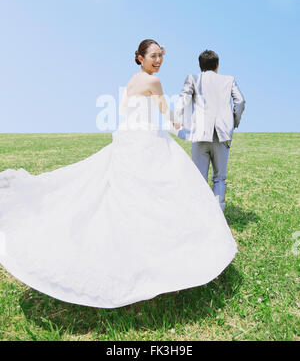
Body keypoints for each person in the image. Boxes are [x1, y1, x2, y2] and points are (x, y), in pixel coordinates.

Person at [0, 40, 238, 309]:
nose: (158, 60)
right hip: (147, 140)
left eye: (160, 56)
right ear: (140, 57)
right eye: (153, 56)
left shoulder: (132, 81)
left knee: (125, 196)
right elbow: (165, 112)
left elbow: (125, 110)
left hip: (130, 139)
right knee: (165, 190)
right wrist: (178, 124)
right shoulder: (154, 83)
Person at [174, 50, 246, 212]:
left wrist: (178, 121)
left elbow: (182, 102)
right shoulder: (229, 80)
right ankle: (217, 216)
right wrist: (233, 121)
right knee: (219, 178)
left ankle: (199, 214)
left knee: (199, 178)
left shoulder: (193, 79)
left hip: (200, 134)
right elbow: (240, 101)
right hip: (223, 135)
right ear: (217, 65)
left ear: (200, 66)